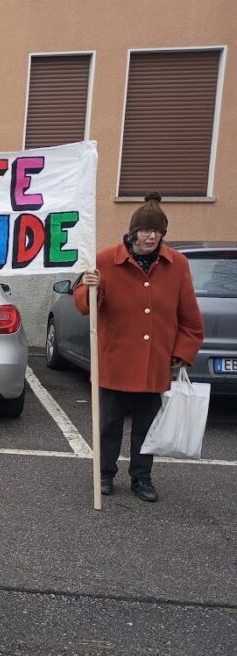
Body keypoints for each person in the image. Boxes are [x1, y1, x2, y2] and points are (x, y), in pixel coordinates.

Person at [74, 193, 204, 503]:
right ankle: (104, 474)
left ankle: (141, 477)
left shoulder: (178, 264)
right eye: (145, 231)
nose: (151, 237)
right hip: (114, 361)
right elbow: (82, 306)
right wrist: (89, 286)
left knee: (147, 427)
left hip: (153, 364)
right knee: (108, 425)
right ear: (133, 232)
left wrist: (183, 353)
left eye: (157, 232)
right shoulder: (105, 260)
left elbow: (190, 318)